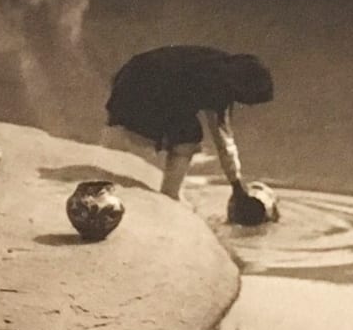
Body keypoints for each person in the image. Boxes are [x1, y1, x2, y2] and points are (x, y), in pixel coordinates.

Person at [104, 45, 279, 225]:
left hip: (129, 79)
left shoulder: (215, 64)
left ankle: (170, 192)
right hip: (138, 95)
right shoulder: (217, 86)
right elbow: (223, 140)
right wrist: (236, 183)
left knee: (183, 126)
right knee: (189, 135)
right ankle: (170, 195)